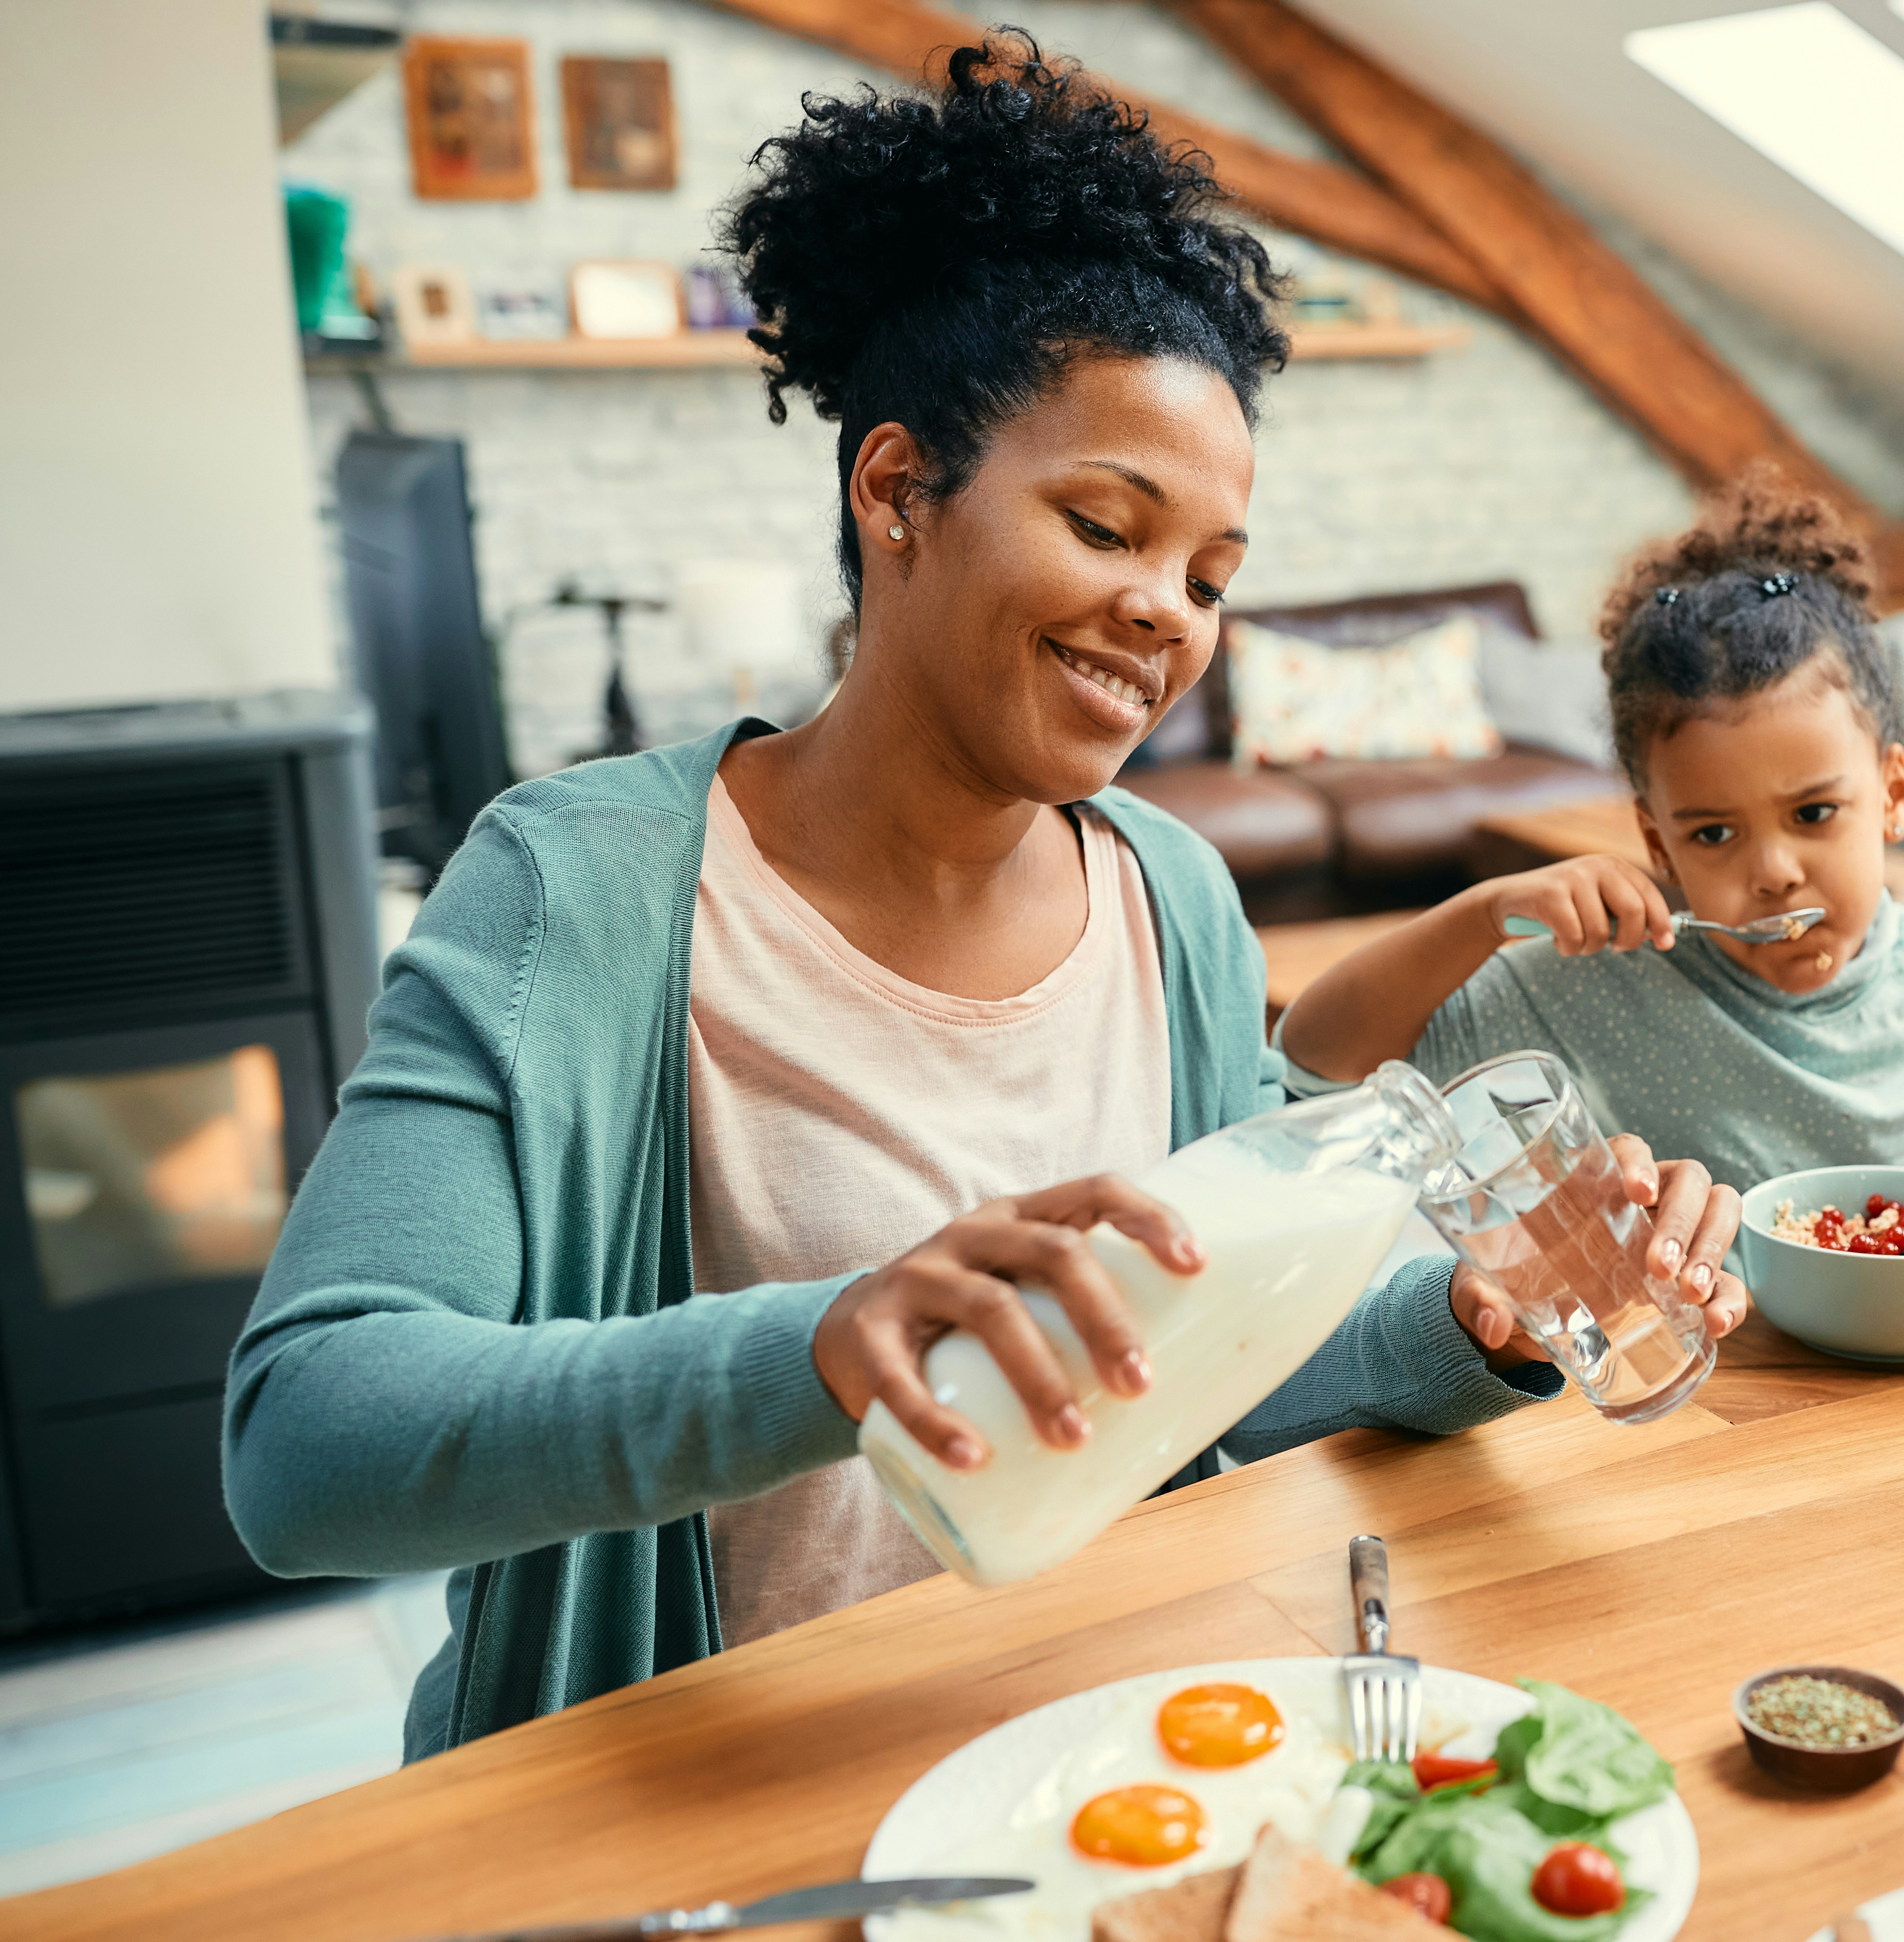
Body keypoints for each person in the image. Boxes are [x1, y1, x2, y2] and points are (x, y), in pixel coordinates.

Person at [224, 38, 1746, 1760]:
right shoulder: (568, 890)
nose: (1165, 610)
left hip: (1100, 1758)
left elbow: (1206, 1352)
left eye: (1211, 574)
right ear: (895, 491)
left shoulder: (1174, 895)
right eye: (1108, 523)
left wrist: (1474, 1315)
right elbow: (305, 1443)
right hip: (692, 1799)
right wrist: (832, 1345)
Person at [1278, 478, 1904, 1346]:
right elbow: (1319, 1066)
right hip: (1667, 1409)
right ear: (1656, 844)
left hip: (1888, 1403)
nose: (1775, 874)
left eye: (1815, 814)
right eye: (1713, 836)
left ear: (1895, 794)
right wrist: (1480, 916)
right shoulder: (1592, 976)